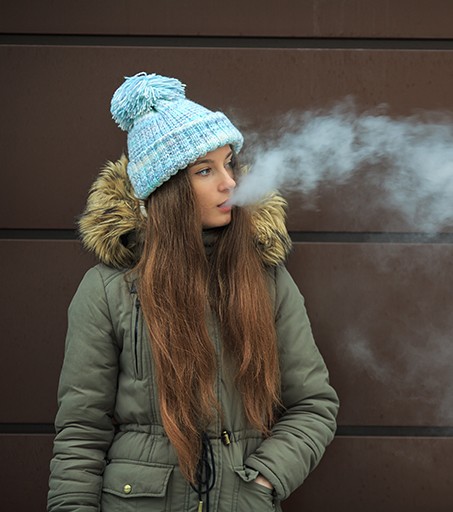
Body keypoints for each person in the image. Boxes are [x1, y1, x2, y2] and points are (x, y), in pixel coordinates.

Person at [48, 72, 339, 511]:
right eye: (205, 170)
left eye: (229, 164)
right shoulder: (108, 291)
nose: (229, 182)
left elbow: (314, 405)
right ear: (168, 190)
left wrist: (261, 484)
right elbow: (81, 433)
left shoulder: (266, 280)